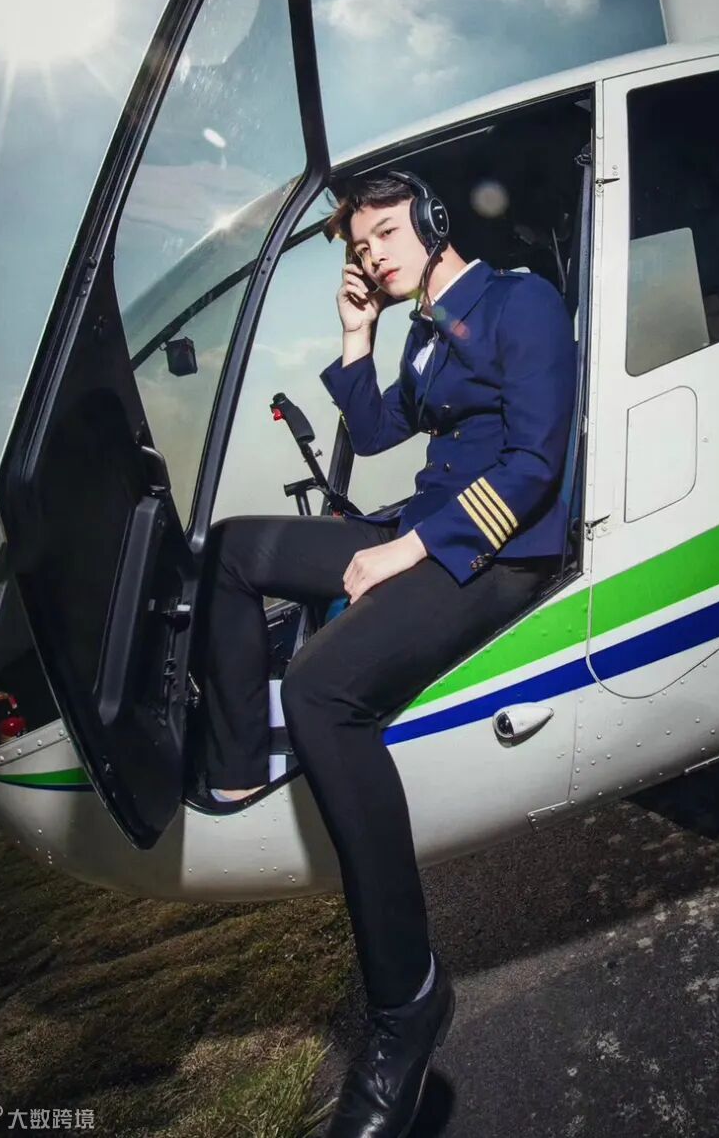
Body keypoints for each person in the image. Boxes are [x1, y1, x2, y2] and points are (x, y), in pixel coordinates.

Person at [196, 170, 576, 1138]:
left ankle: (408, 1002)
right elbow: (373, 431)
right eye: (360, 248)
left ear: (436, 221)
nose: (371, 257)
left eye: (384, 235)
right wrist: (357, 333)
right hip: (424, 527)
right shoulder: (423, 330)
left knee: (319, 688)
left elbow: (535, 465)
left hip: (498, 550)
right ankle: (239, 770)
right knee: (235, 551)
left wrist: (408, 551)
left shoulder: (521, 301)